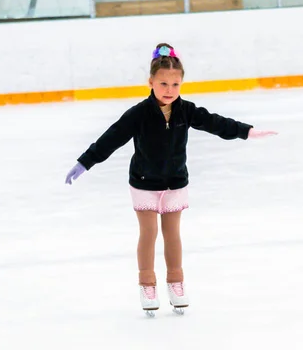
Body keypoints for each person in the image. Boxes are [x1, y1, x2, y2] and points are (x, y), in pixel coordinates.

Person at [65, 43, 277, 314]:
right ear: (151, 82)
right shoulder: (139, 114)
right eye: (163, 83)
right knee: (149, 232)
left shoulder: (186, 111)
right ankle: (147, 284)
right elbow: (112, 137)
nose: (169, 90)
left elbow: (217, 123)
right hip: (143, 181)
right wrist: (85, 161)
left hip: (175, 181)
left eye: (175, 84)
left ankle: (176, 282)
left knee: (172, 233)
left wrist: (246, 132)